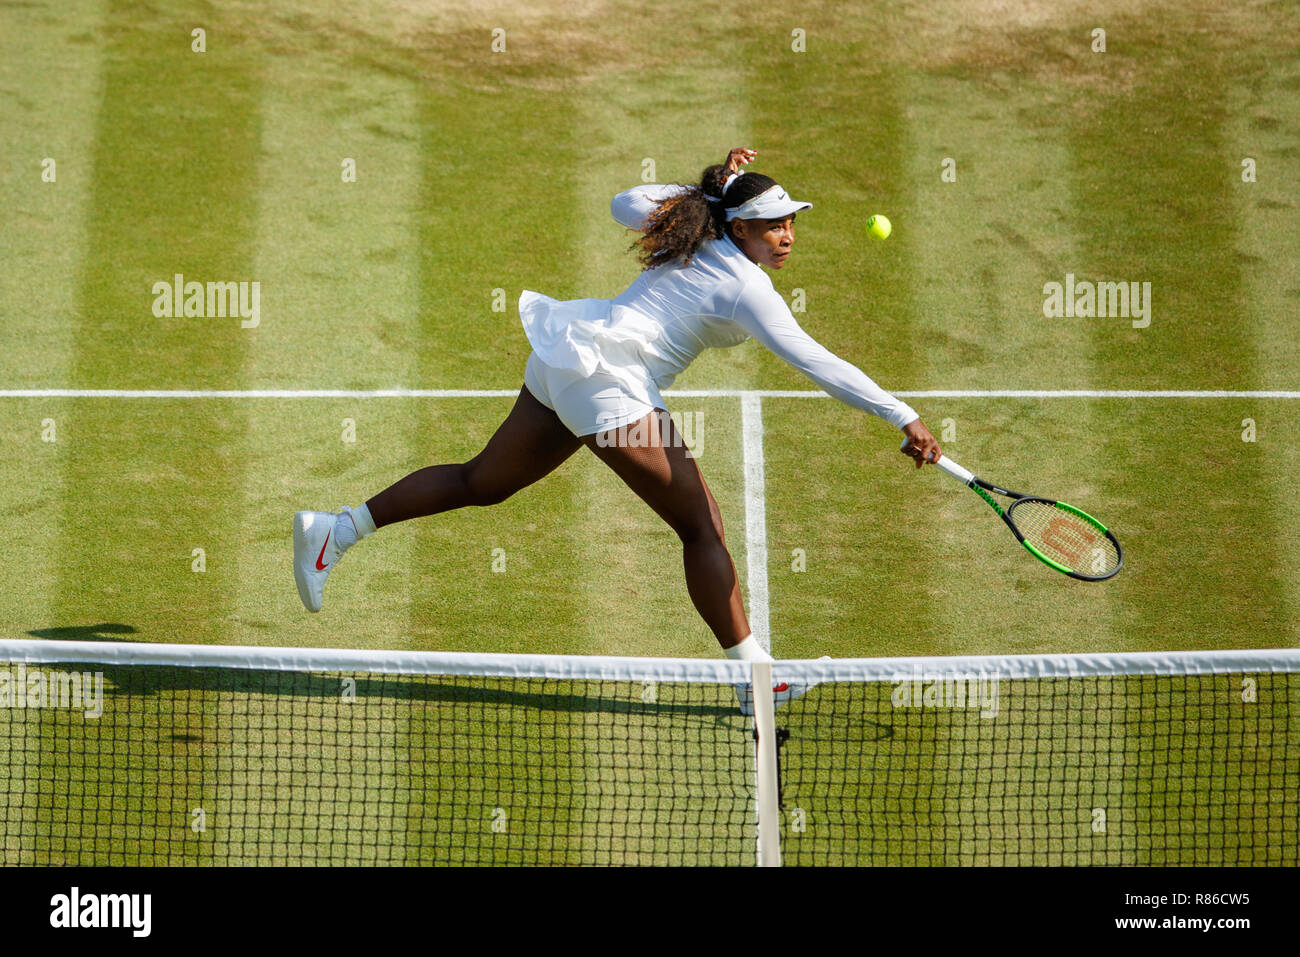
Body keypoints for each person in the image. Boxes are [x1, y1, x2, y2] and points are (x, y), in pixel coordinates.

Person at [294, 147, 942, 708]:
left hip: (568, 354)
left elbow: (626, 201)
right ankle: (757, 679)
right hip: (607, 379)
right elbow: (815, 361)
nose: (788, 234)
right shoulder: (748, 288)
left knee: (484, 480)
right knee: (700, 523)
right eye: (774, 224)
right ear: (741, 227)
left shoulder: (701, 230)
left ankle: (334, 530)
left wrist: (707, 193)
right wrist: (902, 414)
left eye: (792, 222)